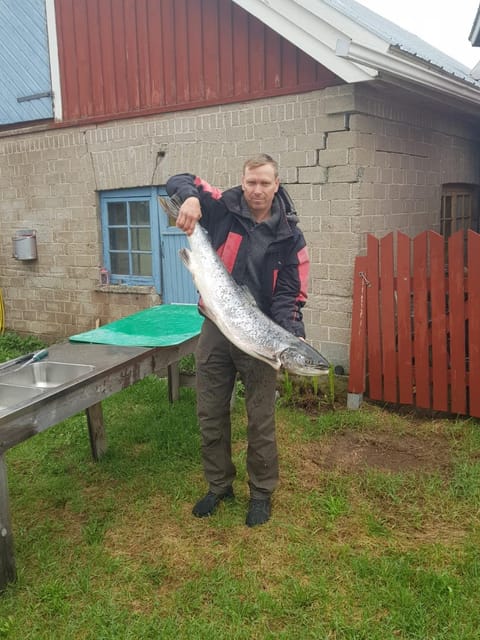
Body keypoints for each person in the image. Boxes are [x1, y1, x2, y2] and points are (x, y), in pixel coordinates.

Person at [166, 154, 310, 527]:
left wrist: (291, 335)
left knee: (260, 420)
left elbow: (289, 296)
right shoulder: (223, 208)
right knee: (210, 412)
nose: (256, 190)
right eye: (251, 182)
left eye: (264, 183)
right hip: (217, 325)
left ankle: (261, 493)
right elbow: (179, 177)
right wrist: (190, 200)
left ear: (277, 184)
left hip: (260, 336)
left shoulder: (290, 237)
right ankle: (219, 485)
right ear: (243, 182)